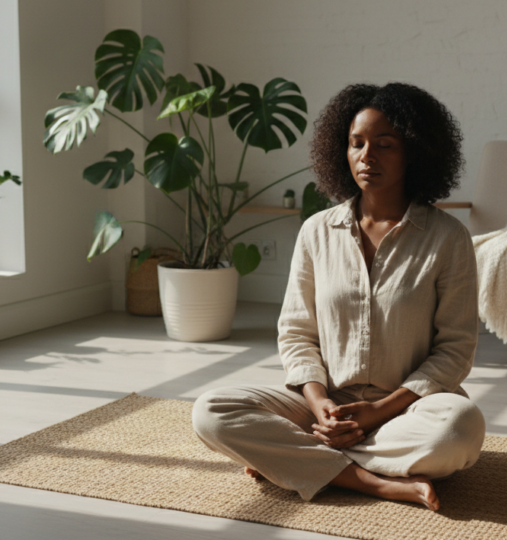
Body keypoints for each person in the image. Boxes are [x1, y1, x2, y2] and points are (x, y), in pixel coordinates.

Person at [192, 83, 484, 511]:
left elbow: (456, 349)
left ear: (414, 152)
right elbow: (296, 333)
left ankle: (296, 461)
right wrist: (319, 402)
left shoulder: (448, 238)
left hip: (407, 408)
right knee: (210, 411)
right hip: (322, 409)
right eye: (357, 143)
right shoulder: (316, 232)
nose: (367, 156)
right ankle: (375, 482)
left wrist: (379, 411)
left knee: (459, 429)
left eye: (385, 145)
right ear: (341, 150)